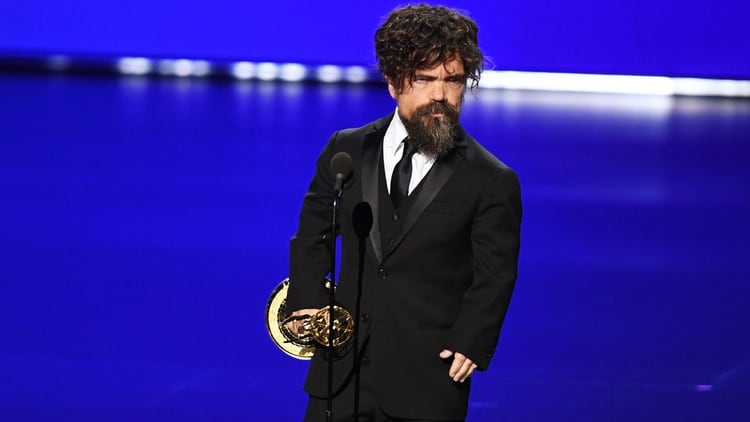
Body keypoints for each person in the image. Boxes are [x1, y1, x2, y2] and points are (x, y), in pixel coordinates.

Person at [284, 4, 522, 421]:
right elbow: (314, 232)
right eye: (424, 79)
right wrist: (306, 301)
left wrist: (472, 340)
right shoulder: (348, 150)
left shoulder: (490, 179)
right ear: (394, 83)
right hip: (340, 370)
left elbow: (495, 274)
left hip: (426, 377)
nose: (440, 95)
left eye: (453, 81)